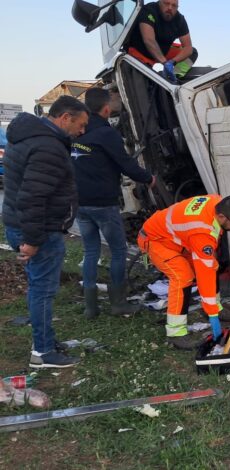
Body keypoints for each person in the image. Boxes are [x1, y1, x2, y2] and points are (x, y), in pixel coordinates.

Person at [2, 96, 89, 369]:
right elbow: (33, 197)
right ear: (65, 118)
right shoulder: (48, 147)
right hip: (39, 230)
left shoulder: (28, 138)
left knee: (37, 286)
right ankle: (42, 352)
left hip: (23, 225)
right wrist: (33, 240)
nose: (82, 131)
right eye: (81, 124)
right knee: (43, 291)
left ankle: (46, 341)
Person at [73, 87, 156, 319]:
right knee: (118, 251)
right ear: (106, 108)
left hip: (80, 203)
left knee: (90, 250)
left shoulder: (76, 132)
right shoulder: (106, 134)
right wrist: (148, 178)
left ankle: (91, 307)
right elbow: (125, 164)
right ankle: (118, 303)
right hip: (103, 203)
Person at [137, 194, 230, 349]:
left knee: (212, 264)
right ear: (222, 216)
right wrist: (213, 316)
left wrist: (213, 308)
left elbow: (209, 263)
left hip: (177, 238)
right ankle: (176, 333)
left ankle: (214, 308)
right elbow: (205, 273)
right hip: (156, 240)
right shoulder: (201, 232)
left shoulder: (217, 202)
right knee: (183, 277)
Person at [126, 0, 197, 83]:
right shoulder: (149, 10)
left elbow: (188, 47)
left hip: (164, 51)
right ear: (159, 2)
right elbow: (149, 40)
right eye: (166, 3)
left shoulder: (180, 19)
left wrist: (172, 62)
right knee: (145, 84)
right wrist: (165, 62)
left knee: (192, 52)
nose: (170, 8)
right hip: (141, 53)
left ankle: (175, 77)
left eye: (174, 6)